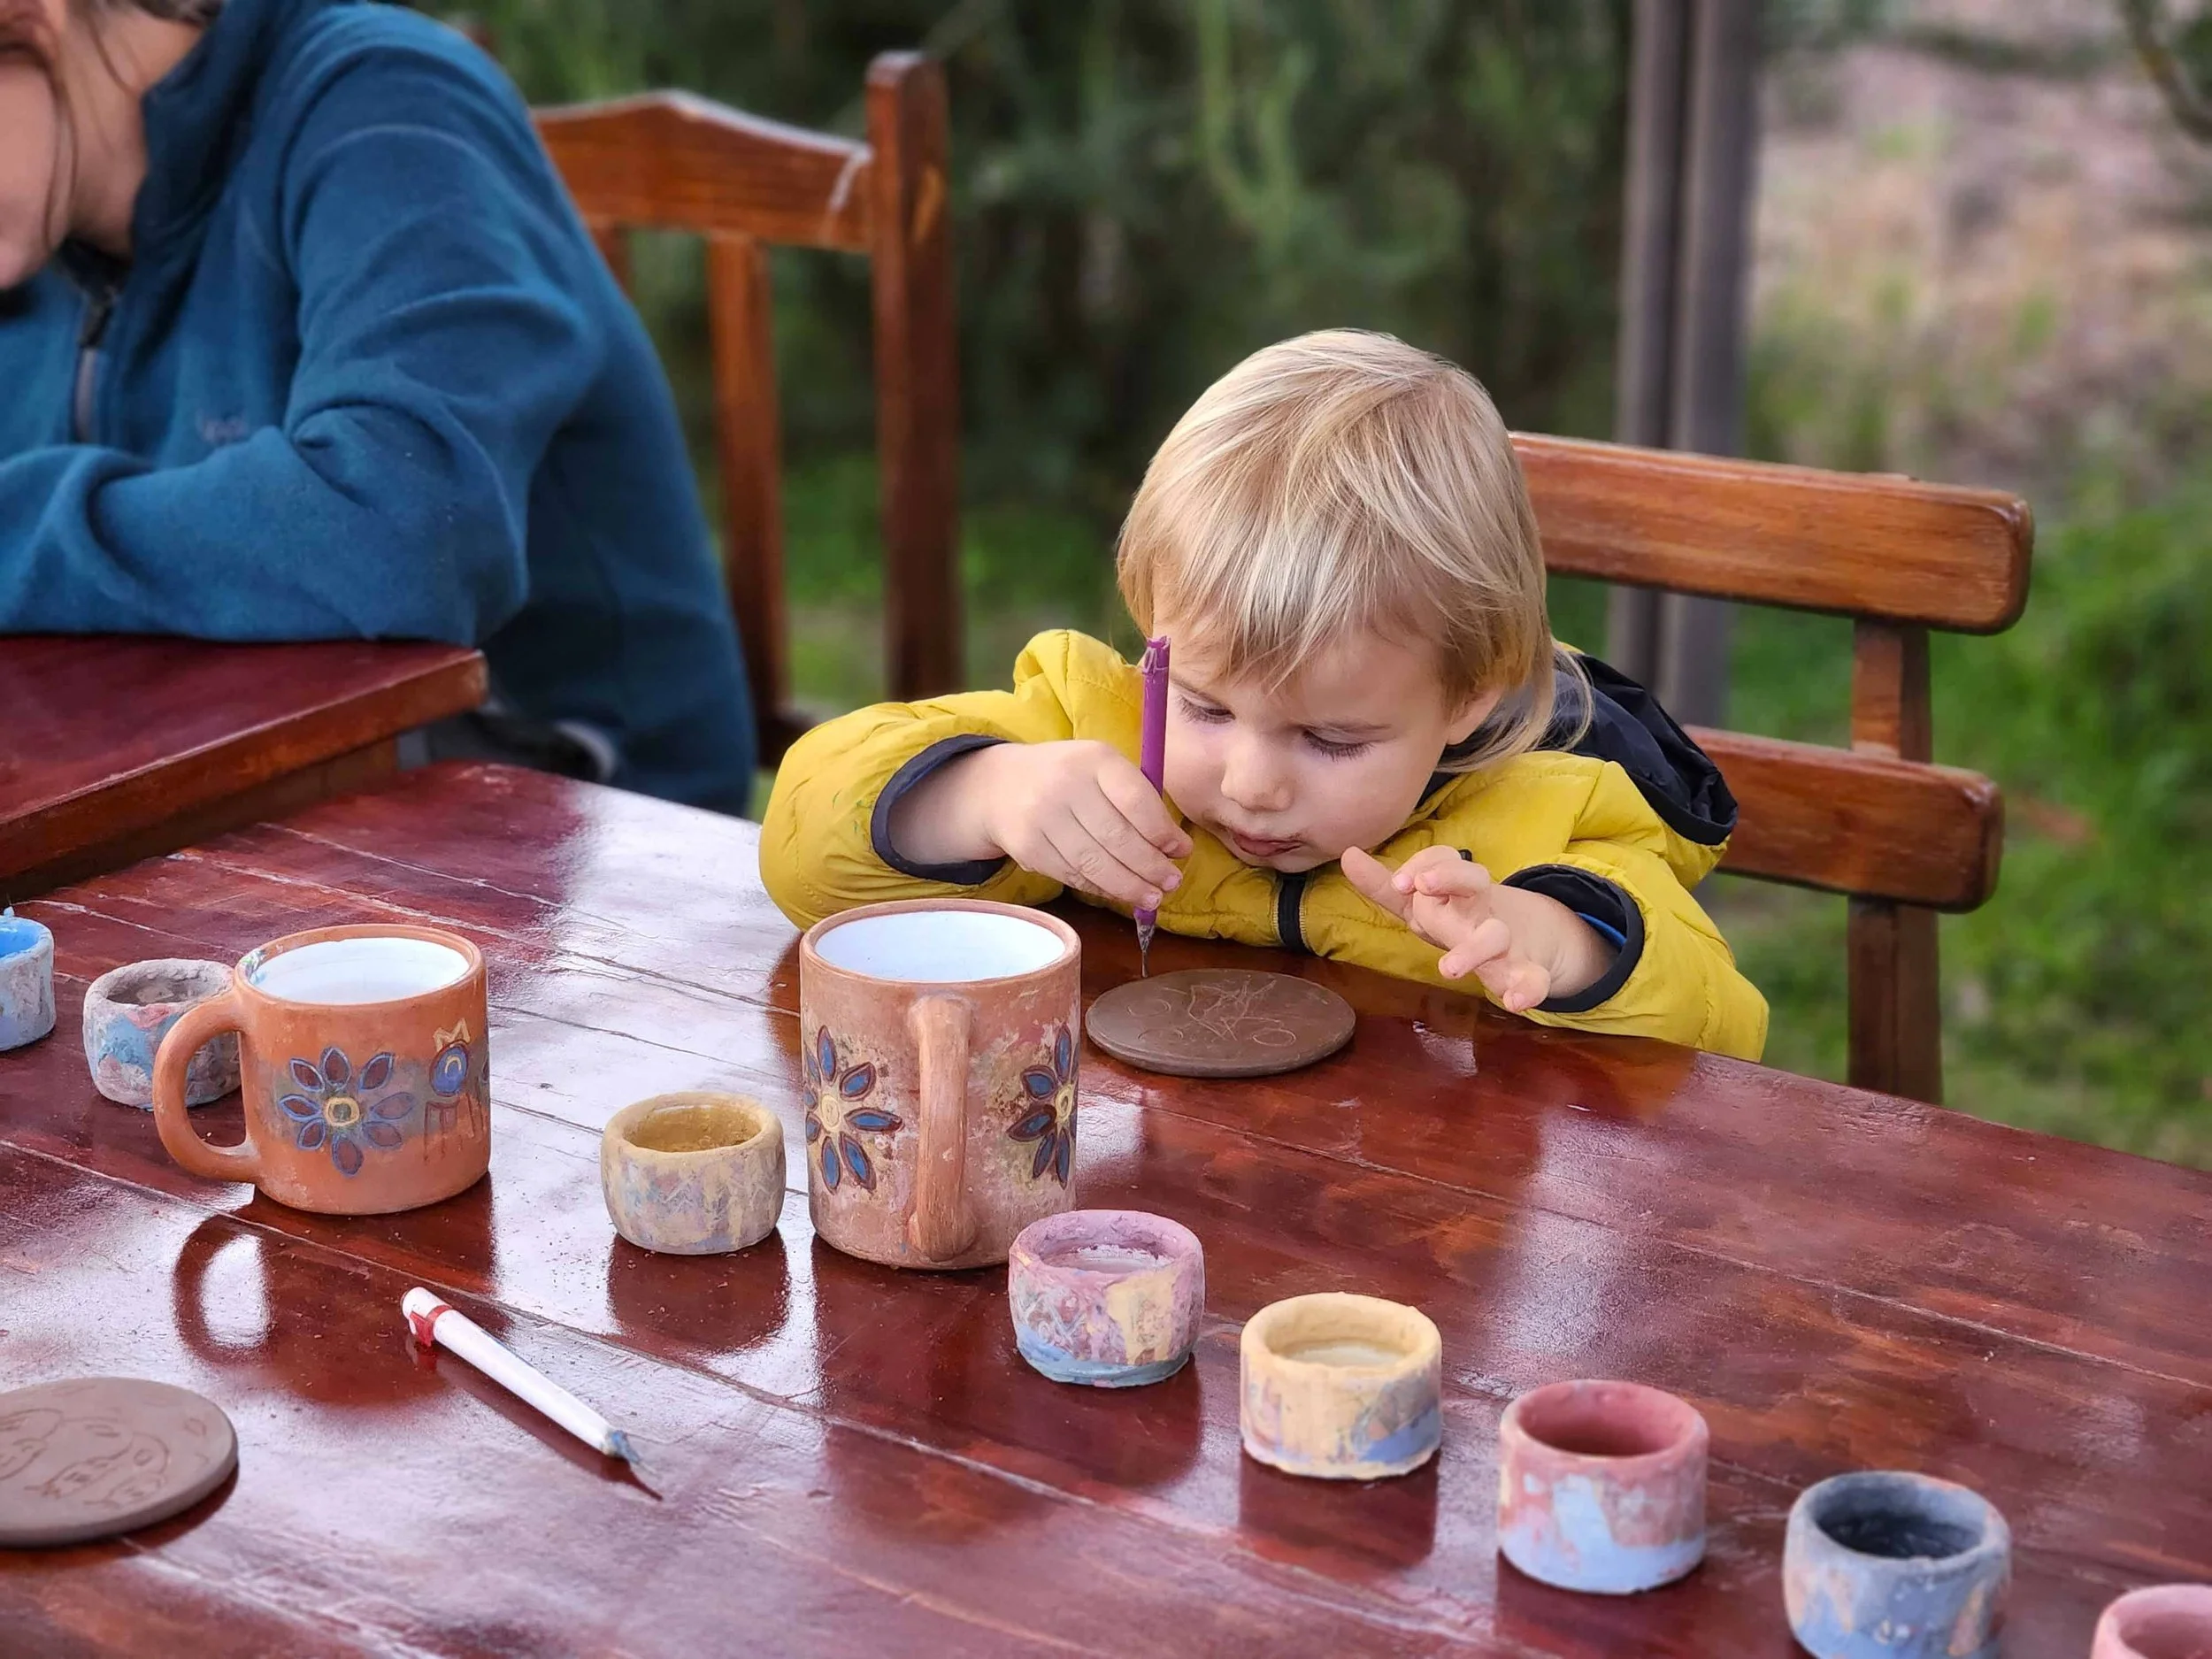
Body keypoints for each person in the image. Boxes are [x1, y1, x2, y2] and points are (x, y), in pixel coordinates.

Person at [764, 330, 1767, 1057]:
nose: (1249, 784)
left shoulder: (1553, 811)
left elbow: (1722, 1027)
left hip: (1406, 1235)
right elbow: (802, 858)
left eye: (1330, 741)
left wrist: (1563, 942)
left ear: (1467, 697)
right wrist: (981, 796)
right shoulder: (1095, 735)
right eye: (1202, 706)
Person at [0, 0, 756, 810]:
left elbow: (407, 535)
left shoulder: (387, 105)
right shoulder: (42, 223)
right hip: (213, 765)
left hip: (572, 811)